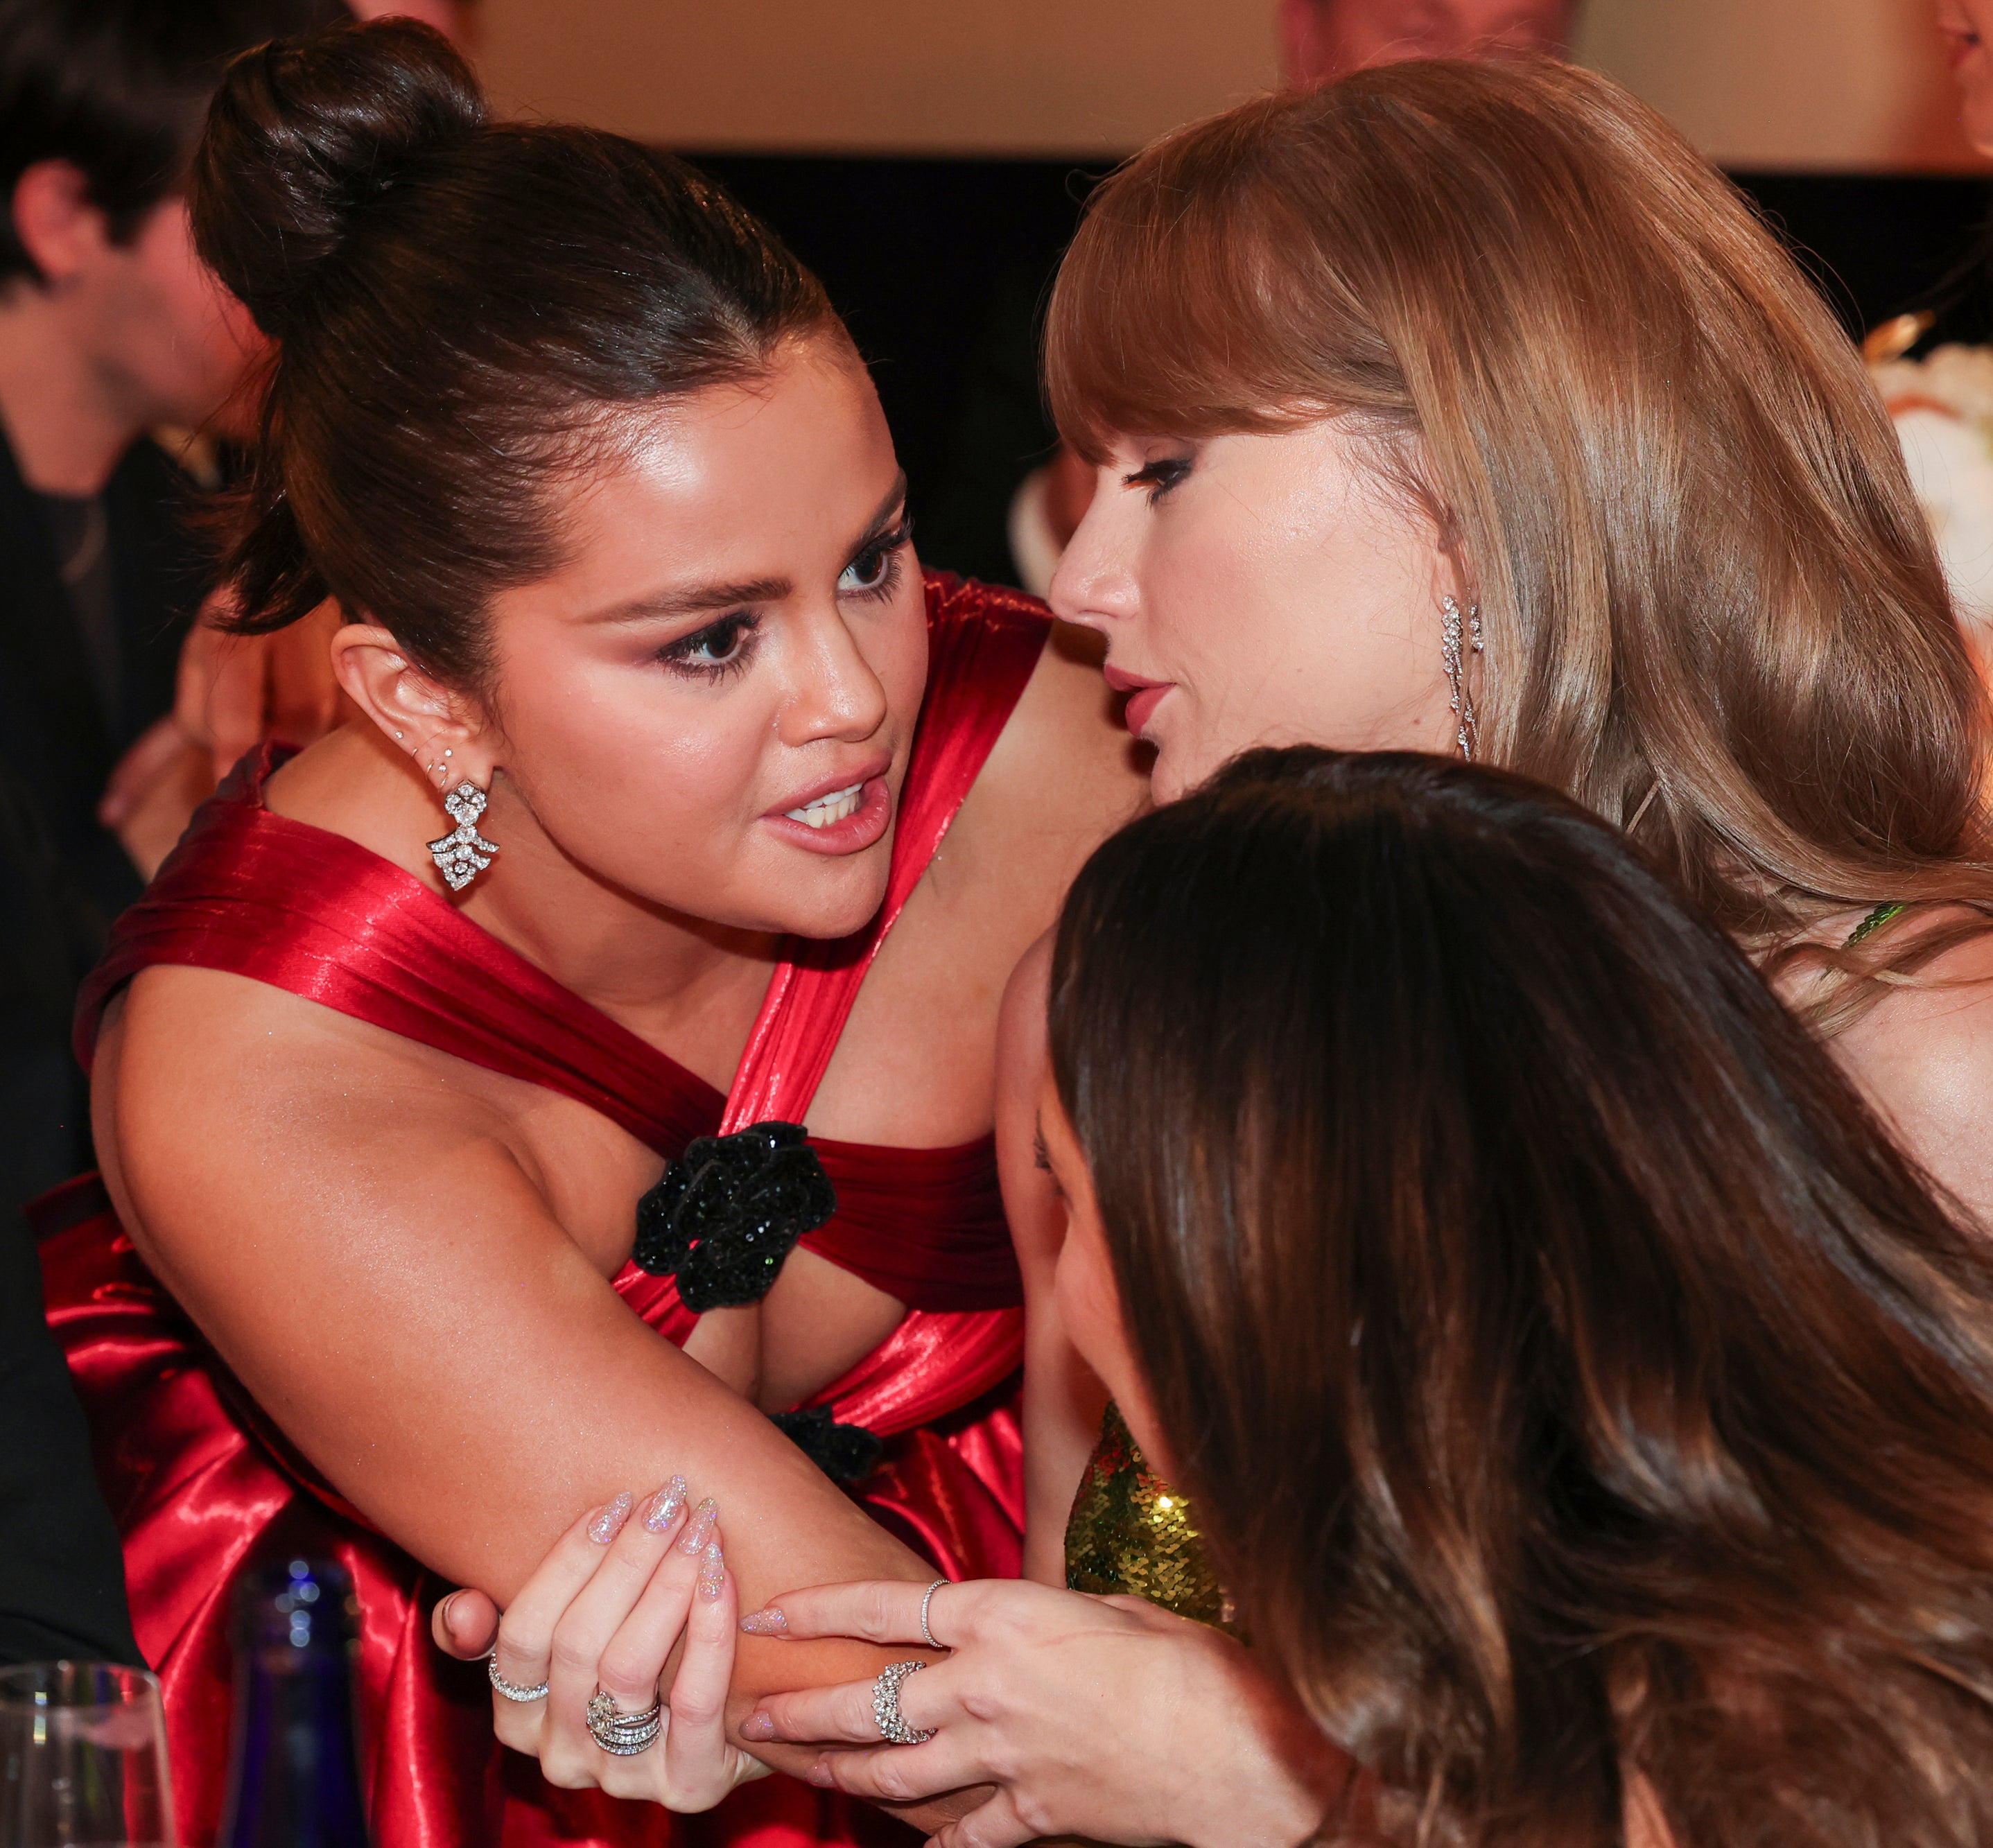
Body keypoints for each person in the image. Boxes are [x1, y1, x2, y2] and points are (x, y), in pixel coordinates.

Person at [35, 18, 1140, 1847]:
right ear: (426, 702)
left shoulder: (1073, 752)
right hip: (413, 1757)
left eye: (869, 561)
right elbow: (842, 1664)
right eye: (710, 638)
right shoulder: (270, 1060)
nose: (852, 701)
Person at [514, 747, 1993, 1848]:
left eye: (1075, 1196)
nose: (1076, 1291)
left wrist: (1284, 1787)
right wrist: (743, 1735)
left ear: (1244, 1250)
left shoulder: (1825, 1679)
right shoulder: (1491, 1559)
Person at [990, 0, 1581, 600]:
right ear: (1305, 37)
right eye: (1417, 36)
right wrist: (1068, 513)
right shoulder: (1114, 265)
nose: (1462, 80)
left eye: (1514, 50)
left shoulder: (1609, 309)